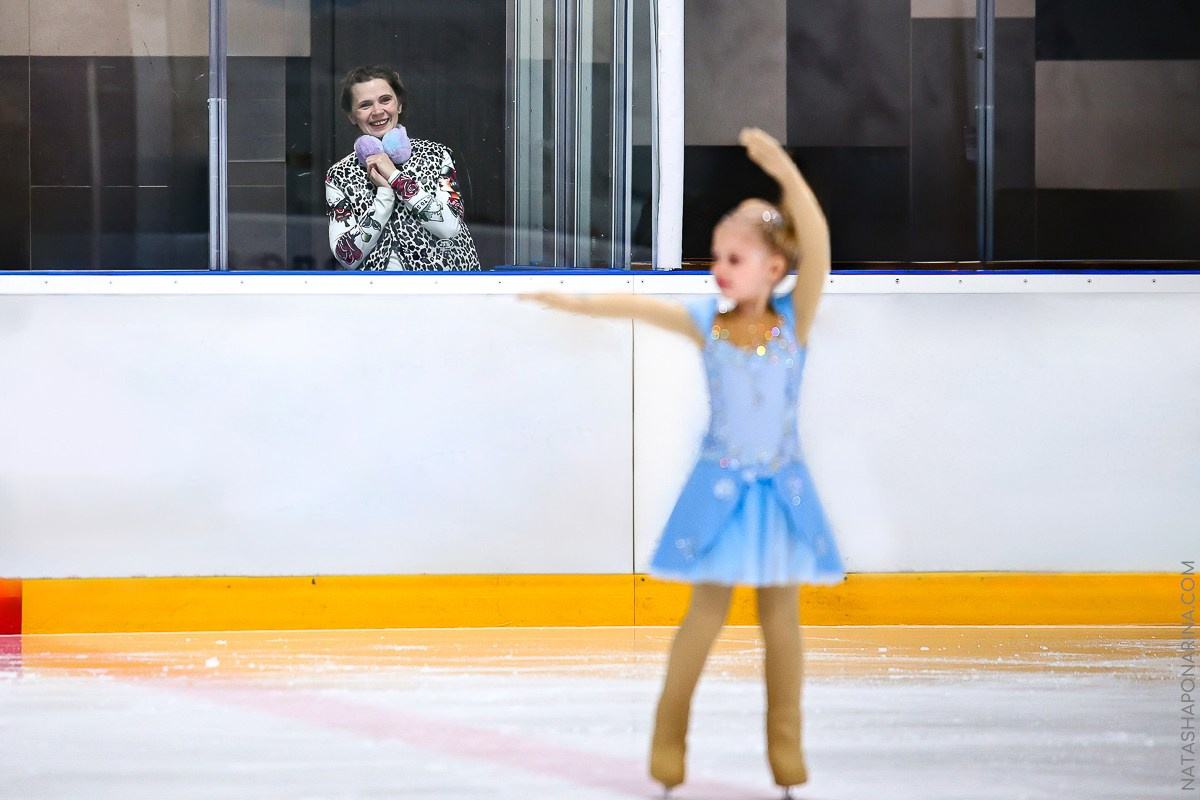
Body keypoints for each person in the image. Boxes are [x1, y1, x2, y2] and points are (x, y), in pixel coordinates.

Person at [524, 128, 845, 796]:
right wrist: (577, 304)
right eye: (717, 256)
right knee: (703, 619)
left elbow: (814, 236)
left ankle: (786, 755)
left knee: (780, 624)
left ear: (774, 270)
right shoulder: (709, 320)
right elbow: (644, 305)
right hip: (721, 491)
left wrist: (782, 166)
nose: (719, 268)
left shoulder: (795, 321)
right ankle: (668, 748)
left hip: (781, 494)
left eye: (735, 257)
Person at [325, 65, 481, 271]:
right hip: (376, 295)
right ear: (352, 117)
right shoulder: (339, 175)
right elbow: (347, 257)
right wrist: (384, 196)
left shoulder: (437, 155)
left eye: (385, 100)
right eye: (365, 105)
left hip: (442, 291)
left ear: (398, 105)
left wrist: (396, 178)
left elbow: (450, 228)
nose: (377, 111)